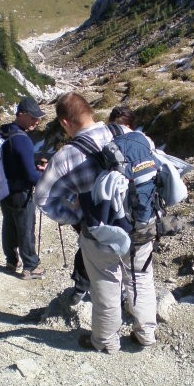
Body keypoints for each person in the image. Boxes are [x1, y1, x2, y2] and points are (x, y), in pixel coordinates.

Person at [34, 94, 157, 352]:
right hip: (142, 223)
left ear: (65, 122)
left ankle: (105, 341)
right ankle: (145, 334)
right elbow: (154, 162)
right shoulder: (125, 131)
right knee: (142, 278)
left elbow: (43, 199)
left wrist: (74, 216)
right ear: (91, 111)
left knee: (106, 285)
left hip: (101, 232)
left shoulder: (66, 156)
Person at [68, 105, 137, 305]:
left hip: (122, 208)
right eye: (115, 127)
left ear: (131, 126)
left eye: (122, 127)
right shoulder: (103, 145)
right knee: (88, 246)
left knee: (120, 250)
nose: (118, 132)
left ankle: (121, 294)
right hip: (102, 206)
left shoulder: (137, 146)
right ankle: (81, 286)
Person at [0, 97, 47, 280]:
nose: (37, 121)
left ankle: (11, 261)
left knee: (9, 225)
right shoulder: (23, 140)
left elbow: (13, 161)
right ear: (21, 115)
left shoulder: (4, 132)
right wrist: (45, 177)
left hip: (4, 189)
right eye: (33, 117)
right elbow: (30, 175)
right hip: (21, 192)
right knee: (26, 227)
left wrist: (32, 165)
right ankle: (31, 267)